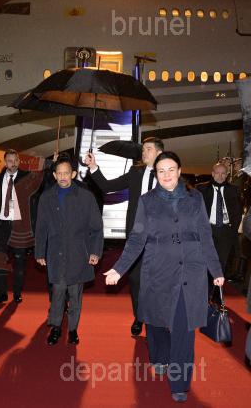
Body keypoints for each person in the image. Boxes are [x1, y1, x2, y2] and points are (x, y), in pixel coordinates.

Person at [104, 151, 225, 403]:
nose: (166, 175)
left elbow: (205, 235)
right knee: (156, 321)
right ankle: (159, 356)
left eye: (171, 170)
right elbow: (137, 238)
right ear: (156, 174)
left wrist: (216, 270)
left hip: (190, 271)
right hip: (157, 270)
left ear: (179, 171)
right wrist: (118, 268)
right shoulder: (147, 201)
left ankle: (179, 382)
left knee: (184, 331)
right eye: (161, 171)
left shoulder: (195, 198)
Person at [84, 136, 164, 336]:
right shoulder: (136, 172)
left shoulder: (168, 175)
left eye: (148, 149)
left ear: (159, 152)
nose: (143, 152)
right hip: (136, 235)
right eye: (143, 149)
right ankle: (139, 317)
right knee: (135, 280)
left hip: (161, 238)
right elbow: (107, 186)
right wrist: (93, 167)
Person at [35, 155, 103, 345]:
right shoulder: (46, 197)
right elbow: (41, 227)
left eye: (66, 173)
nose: (63, 177)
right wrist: (39, 251)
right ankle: (56, 328)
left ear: (73, 174)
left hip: (78, 253)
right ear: (54, 175)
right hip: (56, 253)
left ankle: (73, 329)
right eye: (59, 173)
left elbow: (97, 227)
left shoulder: (86, 197)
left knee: (75, 294)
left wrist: (95, 251)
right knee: (57, 292)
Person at [0, 149, 42, 304]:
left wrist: (51, 163)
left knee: (19, 262)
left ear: (19, 161)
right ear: (5, 162)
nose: (13, 163)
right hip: (1, 225)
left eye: (15, 160)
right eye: (10, 160)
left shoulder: (27, 178)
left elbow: (43, 177)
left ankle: (17, 293)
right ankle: (2, 293)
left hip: (20, 226)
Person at [196, 162, 242, 284]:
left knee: (221, 263)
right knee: (204, 260)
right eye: (217, 173)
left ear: (227, 175)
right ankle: (204, 287)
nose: (220, 176)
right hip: (207, 230)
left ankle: (217, 290)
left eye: (223, 173)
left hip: (226, 231)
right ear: (212, 174)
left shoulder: (234, 190)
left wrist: (233, 229)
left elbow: (238, 211)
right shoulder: (201, 189)